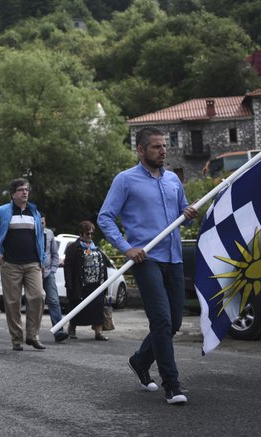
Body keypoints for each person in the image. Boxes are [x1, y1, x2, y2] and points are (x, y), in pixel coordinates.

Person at [97, 126, 197, 405]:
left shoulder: (174, 180)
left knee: (174, 322)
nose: (163, 151)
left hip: (174, 258)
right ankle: (172, 384)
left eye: (164, 146)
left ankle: (140, 361)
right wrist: (127, 248)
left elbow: (183, 216)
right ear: (140, 150)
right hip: (146, 259)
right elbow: (105, 218)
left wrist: (189, 214)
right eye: (156, 146)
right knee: (162, 321)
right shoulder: (125, 180)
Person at [0, 178, 46, 351]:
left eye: (26, 189)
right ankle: (17, 339)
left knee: (38, 296)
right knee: (13, 303)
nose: (25, 192)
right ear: (13, 194)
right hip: (10, 264)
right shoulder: (2, 211)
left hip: (33, 263)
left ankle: (33, 336)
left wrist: (42, 259)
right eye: (20, 190)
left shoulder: (34, 212)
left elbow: (40, 238)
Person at [63, 221, 112, 341]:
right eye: (87, 233)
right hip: (81, 284)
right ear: (81, 233)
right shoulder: (73, 247)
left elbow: (103, 264)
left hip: (96, 283)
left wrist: (104, 282)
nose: (89, 236)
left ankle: (98, 332)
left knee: (97, 307)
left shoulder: (95, 247)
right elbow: (68, 267)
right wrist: (69, 284)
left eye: (91, 233)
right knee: (77, 308)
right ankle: (72, 328)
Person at [41, 215, 69, 343]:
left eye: (43, 222)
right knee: (35, 302)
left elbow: (54, 254)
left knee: (53, 301)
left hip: (48, 273)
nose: (41, 224)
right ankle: (32, 333)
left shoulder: (49, 234)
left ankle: (58, 331)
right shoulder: (31, 232)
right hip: (33, 272)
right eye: (39, 222)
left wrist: (53, 270)